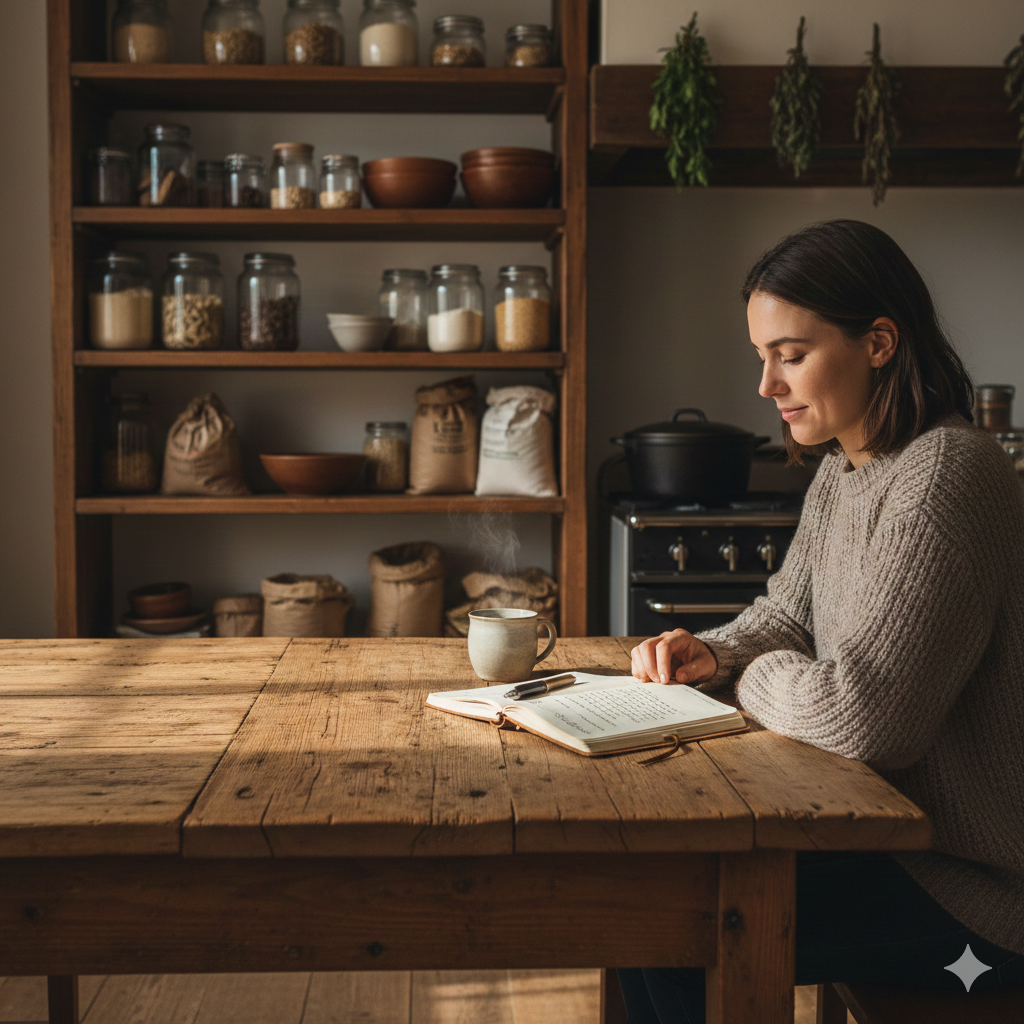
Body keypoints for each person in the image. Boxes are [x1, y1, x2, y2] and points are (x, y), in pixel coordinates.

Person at [620, 219, 1024, 1023]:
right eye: (761, 358)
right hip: (895, 850)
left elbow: (867, 719)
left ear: (879, 342)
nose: (767, 386)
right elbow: (787, 614)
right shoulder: (845, 472)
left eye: (791, 355)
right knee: (647, 908)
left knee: (671, 928)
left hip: (980, 900)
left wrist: (751, 676)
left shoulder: (947, 474)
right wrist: (715, 652)